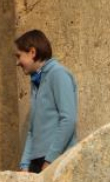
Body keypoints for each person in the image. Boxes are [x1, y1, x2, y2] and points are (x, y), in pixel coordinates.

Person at [15, 30, 78, 173]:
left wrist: (50, 160)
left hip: (57, 161)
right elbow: (32, 130)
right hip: (38, 162)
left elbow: (68, 119)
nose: (17, 62)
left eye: (19, 56)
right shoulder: (36, 80)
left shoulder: (58, 74)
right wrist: (24, 165)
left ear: (32, 52)